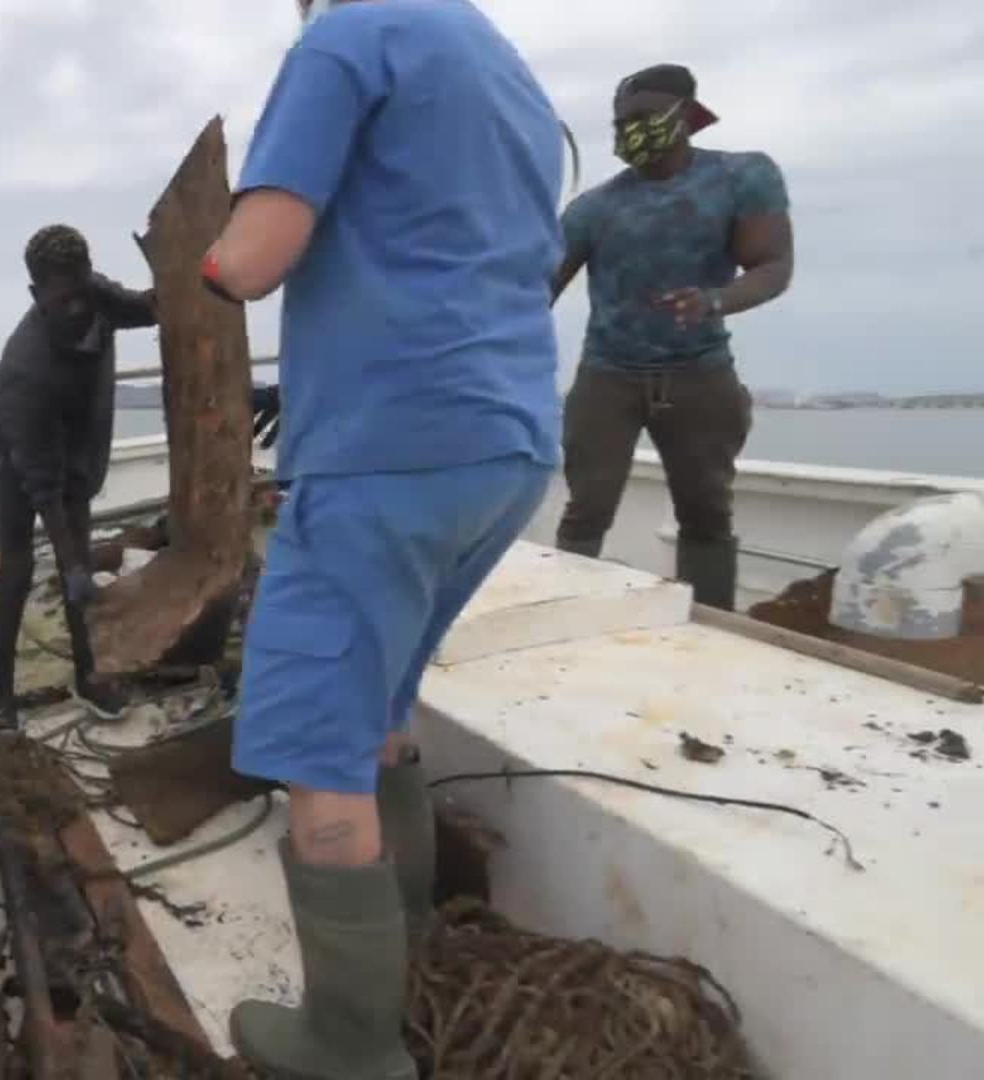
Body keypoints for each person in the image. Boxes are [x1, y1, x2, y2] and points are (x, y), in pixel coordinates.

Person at [200, 1, 568, 1075]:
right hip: (504, 441)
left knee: (318, 743)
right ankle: (408, 940)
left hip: (386, 441)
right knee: (382, 708)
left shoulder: (344, 39)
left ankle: (351, 1043)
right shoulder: (505, 66)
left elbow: (254, 259)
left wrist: (204, 264)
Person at [550, 64, 794, 611]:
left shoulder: (744, 176)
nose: (627, 131)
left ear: (685, 114)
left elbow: (773, 265)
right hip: (608, 375)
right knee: (586, 508)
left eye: (641, 118)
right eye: (619, 122)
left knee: (706, 508)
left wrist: (715, 301)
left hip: (700, 372)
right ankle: (563, 609)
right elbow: (534, 291)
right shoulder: (592, 208)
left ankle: (710, 625)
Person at [0, 225, 156, 729]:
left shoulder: (95, 294)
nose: (79, 308)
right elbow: (41, 482)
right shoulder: (25, 371)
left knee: (77, 557)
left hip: (76, 452)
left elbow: (145, 307)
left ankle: (90, 674)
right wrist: (72, 564)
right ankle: (0, 691)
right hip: (13, 461)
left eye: (83, 291)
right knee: (17, 571)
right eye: (64, 300)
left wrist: (181, 286)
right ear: (36, 296)